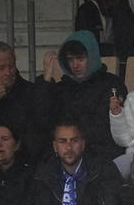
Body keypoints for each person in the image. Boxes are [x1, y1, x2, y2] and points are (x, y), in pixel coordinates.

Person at [38, 31, 129, 161]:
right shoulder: (62, 88)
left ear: (92, 56)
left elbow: (105, 130)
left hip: (102, 156)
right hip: (64, 157)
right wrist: (46, 81)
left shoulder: (111, 84)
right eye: (70, 60)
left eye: (80, 59)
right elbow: (43, 122)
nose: (75, 65)